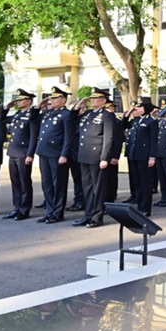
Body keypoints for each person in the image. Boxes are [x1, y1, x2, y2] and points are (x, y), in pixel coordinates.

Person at [70, 88, 114, 227]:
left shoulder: (107, 115)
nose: (92, 100)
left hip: (96, 156)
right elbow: (71, 119)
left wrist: (104, 157)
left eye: (95, 98)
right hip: (84, 155)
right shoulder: (88, 114)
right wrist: (78, 105)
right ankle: (88, 215)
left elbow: (108, 138)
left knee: (97, 188)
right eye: (91, 98)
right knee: (87, 187)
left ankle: (97, 217)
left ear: (103, 100)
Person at [35, 86, 74, 224]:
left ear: (63, 100)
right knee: (47, 184)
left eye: (55, 98)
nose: (51, 100)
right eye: (51, 98)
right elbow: (33, 119)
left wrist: (64, 154)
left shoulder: (66, 114)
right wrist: (39, 106)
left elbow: (68, 137)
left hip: (57, 153)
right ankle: (49, 211)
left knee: (58, 184)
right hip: (44, 152)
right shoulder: (48, 113)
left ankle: (57, 213)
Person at [0, 89, 40, 221]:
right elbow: (2, 120)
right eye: (17, 100)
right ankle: (16, 207)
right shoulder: (17, 114)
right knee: (15, 181)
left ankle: (24, 209)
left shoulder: (31, 115)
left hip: (23, 152)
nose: (18, 102)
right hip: (13, 152)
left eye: (21, 100)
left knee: (24, 181)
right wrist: (6, 108)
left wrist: (30, 154)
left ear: (28, 101)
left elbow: (33, 136)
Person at [122, 97, 157, 216]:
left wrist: (152, 157)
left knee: (145, 182)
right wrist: (128, 113)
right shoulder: (136, 120)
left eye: (141, 107)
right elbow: (123, 125)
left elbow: (153, 141)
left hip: (144, 156)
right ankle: (139, 204)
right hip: (134, 154)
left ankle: (145, 207)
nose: (138, 109)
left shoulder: (151, 121)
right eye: (137, 107)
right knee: (137, 181)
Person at [103, 100, 123, 203]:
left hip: (112, 154)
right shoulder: (102, 120)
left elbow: (118, 140)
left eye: (111, 108)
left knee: (111, 177)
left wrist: (115, 156)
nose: (109, 110)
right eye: (107, 108)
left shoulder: (117, 122)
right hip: (102, 154)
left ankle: (111, 197)